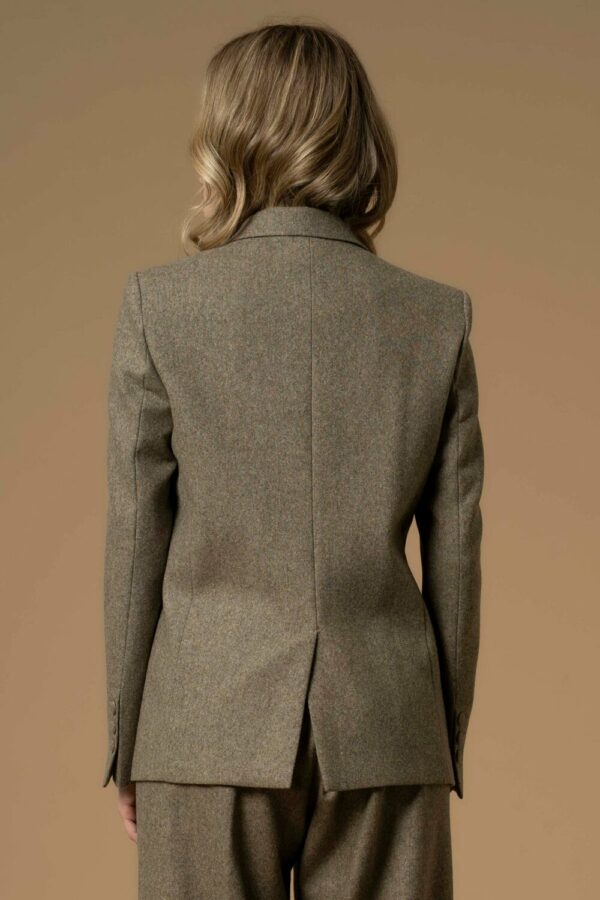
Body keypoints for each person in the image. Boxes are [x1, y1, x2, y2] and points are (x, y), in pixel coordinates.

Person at [101, 21, 484, 900]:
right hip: (386, 723)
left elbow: (135, 538)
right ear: (360, 138)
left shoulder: (162, 307)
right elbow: (456, 555)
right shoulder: (434, 319)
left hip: (203, 722)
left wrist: (130, 737)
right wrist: (437, 741)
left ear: (228, 136)